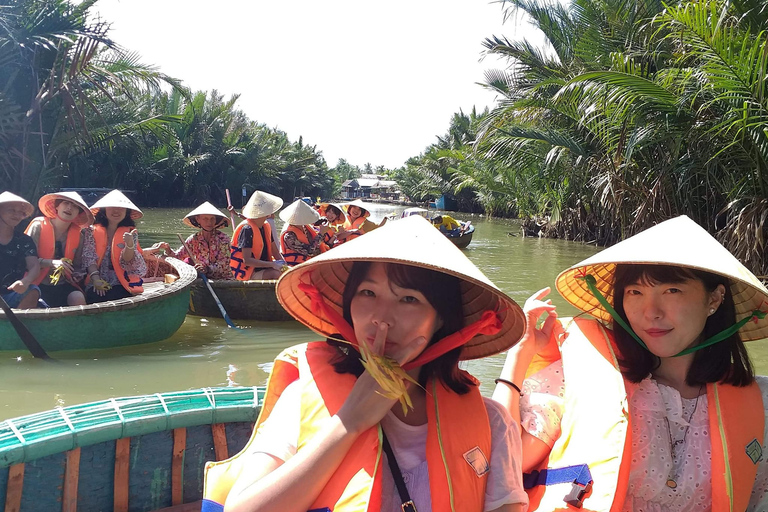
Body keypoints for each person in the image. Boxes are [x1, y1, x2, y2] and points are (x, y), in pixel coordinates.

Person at [204, 215, 530, 512]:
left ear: (441, 318)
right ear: (348, 305)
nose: (381, 320)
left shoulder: (492, 422)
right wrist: (350, 421)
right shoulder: (304, 397)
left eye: (408, 299)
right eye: (368, 293)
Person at [493, 215, 768, 511]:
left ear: (714, 298)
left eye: (671, 291)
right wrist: (520, 353)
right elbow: (505, 460)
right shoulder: (578, 374)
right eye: (635, 292)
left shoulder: (759, 403)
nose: (651, 312)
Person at [24, 191, 92, 307]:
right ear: (57, 206)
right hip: (35, 282)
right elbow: (24, 260)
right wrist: (52, 263)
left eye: (75, 207)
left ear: (78, 214)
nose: (70, 208)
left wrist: (77, 274)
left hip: (63, 283)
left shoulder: (79, 235)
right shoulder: (38, 226)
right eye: (66, 203)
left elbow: (77, 265)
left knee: (78, 298)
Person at [80, 189, 147, 303]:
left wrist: (129, 245)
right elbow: (89, 257)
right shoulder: (91, 231)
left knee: (119, 296)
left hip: (120, 280)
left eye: (121, 208)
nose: (116, 211)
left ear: (126, 211)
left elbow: (128, 261)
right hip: (96, 277)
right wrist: (96, 279)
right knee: (95, 296)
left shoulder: (131, 232)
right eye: (111, 207)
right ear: (104, 210)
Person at [158, 202, 233, 280]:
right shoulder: (194, 239)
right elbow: (178, 257)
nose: (209, 222)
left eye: (212, 219)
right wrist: (168, 249)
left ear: (216, 220)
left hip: (222, 279)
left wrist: (207, 269)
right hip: (202, 279)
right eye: (205, 219)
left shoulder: (223, 239)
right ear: (198, 220)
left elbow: (224, 265)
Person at [228, 190, 285, 280]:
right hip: (249, 272)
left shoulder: (266, 226)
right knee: (276, 274)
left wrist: (285, 266)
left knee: (286, 273)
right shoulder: (247, 229)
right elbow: (247, 260)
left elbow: (276, 252)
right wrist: (272, 264)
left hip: (264, 268)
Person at [0, 192, 41, 309]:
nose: (16, 215)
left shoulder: (24, 240)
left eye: (20, 212)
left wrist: (25, 281)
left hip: (11, 295)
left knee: (33, 291)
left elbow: (34, 265)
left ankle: (14, 326)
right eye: (11, 210)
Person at [278, 199, 329, 266]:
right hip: (297, 267)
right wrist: (321, 233)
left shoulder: (305, 226)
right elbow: (309, 252)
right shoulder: (289, 236)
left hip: (311, 262)